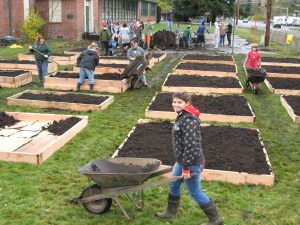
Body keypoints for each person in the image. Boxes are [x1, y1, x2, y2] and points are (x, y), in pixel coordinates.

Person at [156, 92, 223, 225]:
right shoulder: (182, 116)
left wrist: (186, 169)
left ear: (187, 103)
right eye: (174, 102)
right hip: (182, 161)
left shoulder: (189, 121)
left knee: (194, 191)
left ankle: (215, 219)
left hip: (191, 163)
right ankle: (170, 212)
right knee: (174, 184)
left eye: (179, 102)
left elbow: (191, 147)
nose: (176, 104)